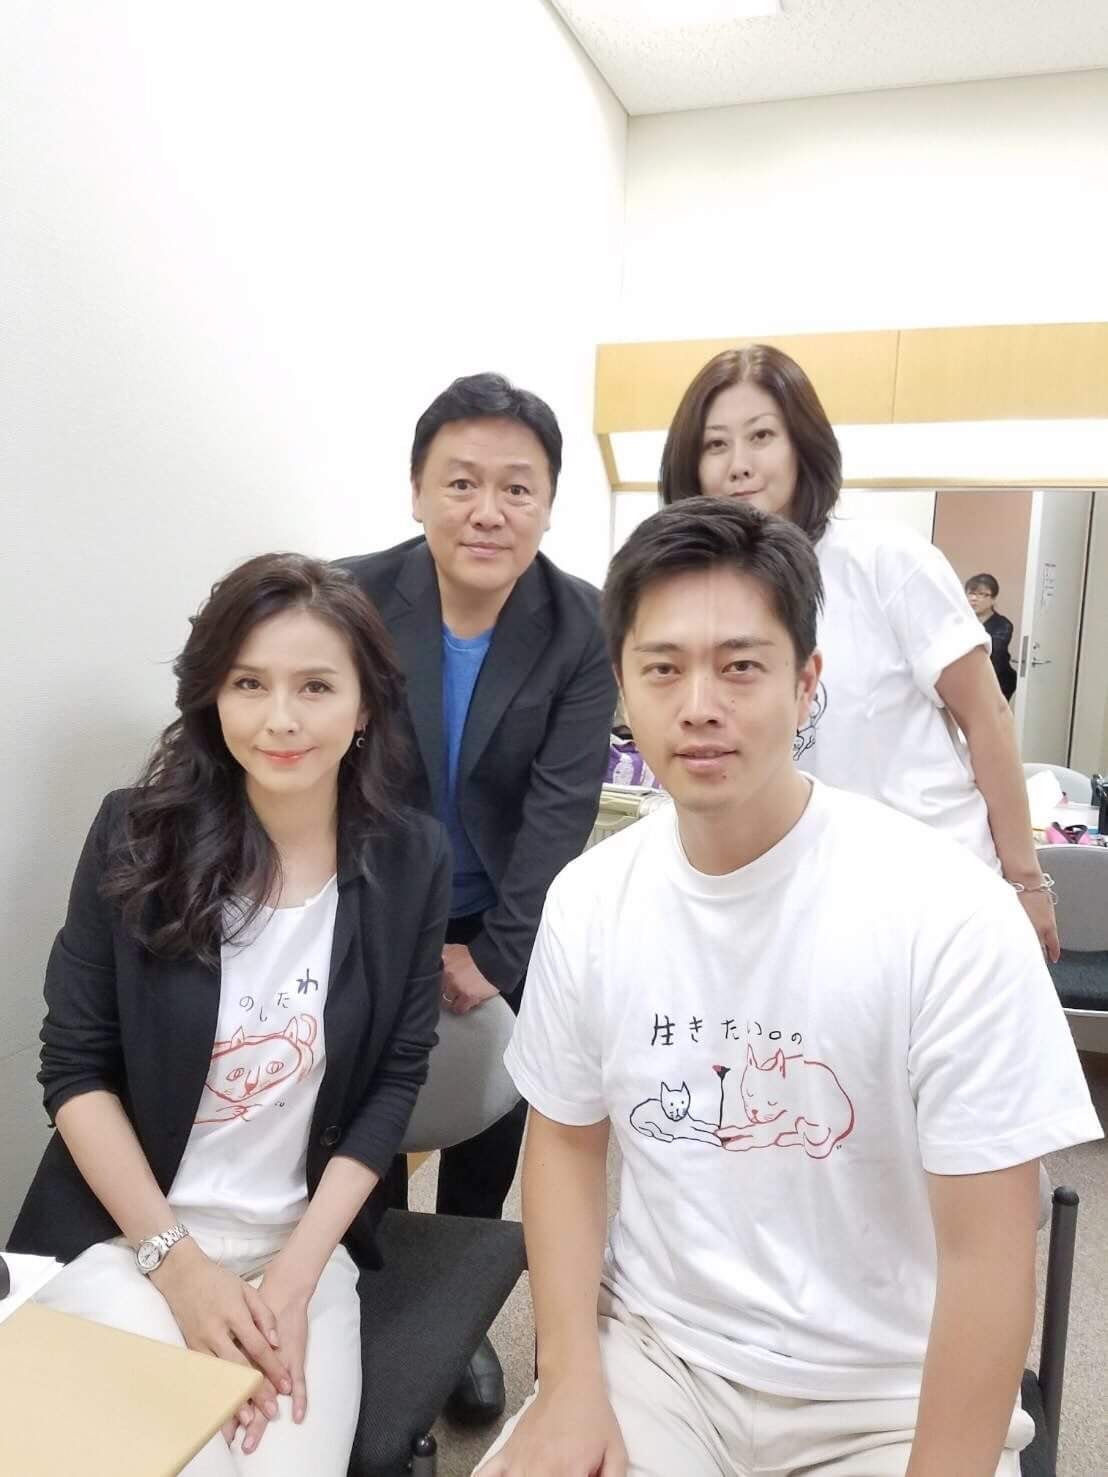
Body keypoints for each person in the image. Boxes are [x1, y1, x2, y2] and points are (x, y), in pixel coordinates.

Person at [476, 498, 1102, 1477]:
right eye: (662, 668)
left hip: (888, 1394)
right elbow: (562, 1139)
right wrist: (566, 1382)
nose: (698, 704)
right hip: (661, 1361)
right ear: (623, 687)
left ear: (808, 682)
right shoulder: (590, 900)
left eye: (740, 665)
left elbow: (989, 1252)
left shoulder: (947, 913)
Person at [9, 554, 452, 1476]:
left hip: (301, 1249)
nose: (280, 717)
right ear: (212, 695)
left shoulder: (412, 860)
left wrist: (295, 1275)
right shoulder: (134, 833)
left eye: (315, 686)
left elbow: (395, 1079)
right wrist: (177, 1265)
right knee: (185, 1462)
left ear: (364, 707)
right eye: (250, 683)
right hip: (130, 1236)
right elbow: (75, 1068)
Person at [337, 372, 615, 1421]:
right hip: (372, 904)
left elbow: (561, 805)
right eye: (461, 482)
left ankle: (458, 1312)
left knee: (492, 1114)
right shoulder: (350, 598)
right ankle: (367, 1284)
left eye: (516, 487)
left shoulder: (580, 624)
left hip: (508, 914)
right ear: (417, 490)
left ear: (547, 503)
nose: (487, 510)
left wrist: (495, 953)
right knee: (365, 1105)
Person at [659, 344, 1060, 960]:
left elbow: (988, 718)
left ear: (802, 445)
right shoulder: (704, 596)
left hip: (931, 895)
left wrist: (1025, 880)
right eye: (715, 444)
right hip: (799, 907)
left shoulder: (886, 561)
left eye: (761, 435)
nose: (738, 465)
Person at [965, 573, 1018, 701]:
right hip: (967, 680)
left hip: (998, 681)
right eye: (971, 593)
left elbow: (993, 655)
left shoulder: (1003, 624)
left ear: (993, 599)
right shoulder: (961, 621)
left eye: (981, 594)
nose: (974, 598)